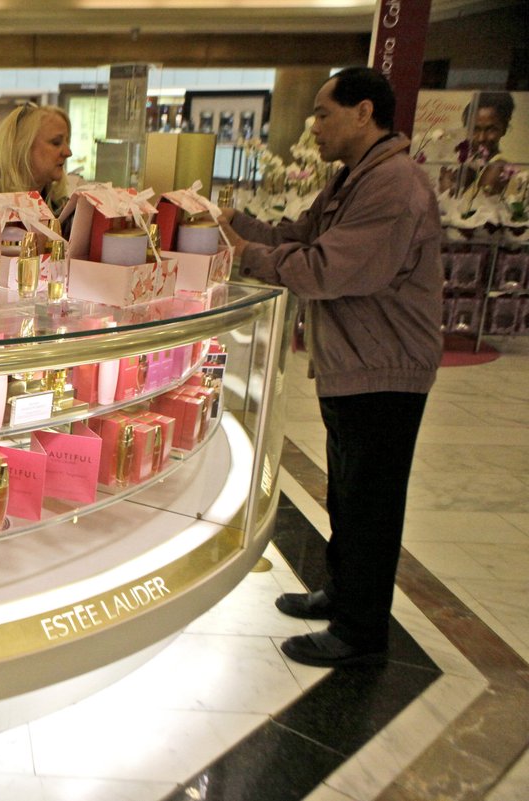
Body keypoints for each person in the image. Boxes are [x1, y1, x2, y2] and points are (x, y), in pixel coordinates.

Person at [217, 67, 443, 668]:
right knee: (346, 494)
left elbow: (329, 268)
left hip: (386, 367)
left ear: (363, 112)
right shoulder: (354, 178)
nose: (313, 126)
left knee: (370, 503)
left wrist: (248, 253)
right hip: (357, 363)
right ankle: (343, 595)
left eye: (322, 113)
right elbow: (299, 233)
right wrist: (235, 225)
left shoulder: (393, 184)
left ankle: (360, 632)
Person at [0, 102, 73, 262]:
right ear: (22, 147)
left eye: (67, 142)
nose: (68, 152)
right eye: (56, 142)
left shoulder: (61, 211)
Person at [439, 92, 514, 197]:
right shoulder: (467, 161)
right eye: (475, 129)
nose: (481, 138)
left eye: (491, 129)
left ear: (504, 129)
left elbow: (447, 200)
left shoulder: (498, 167)